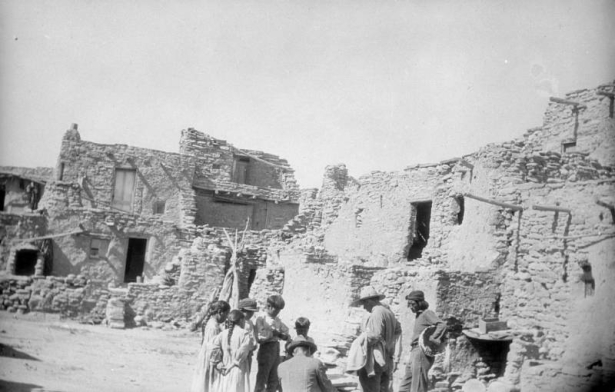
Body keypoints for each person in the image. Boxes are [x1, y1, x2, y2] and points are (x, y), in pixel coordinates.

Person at [350, 286, 401, 392]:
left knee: (369, 387)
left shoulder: (376, 313)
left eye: (364, 304)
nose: (364, 308)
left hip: (375, 359)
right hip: (386, 358)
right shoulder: (389, 313)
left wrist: (359, 342)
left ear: (369, 301)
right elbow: (398, 331)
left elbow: (374, 335)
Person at [398, 290, 446, 392]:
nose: (411, 307)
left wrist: (433, 337)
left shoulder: (426, 313)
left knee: (418, 386)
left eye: (413, 304)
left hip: (420, 352)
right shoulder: (419, 315)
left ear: (420, 303)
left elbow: (441, 324)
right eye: (409, 304)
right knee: (405, 386)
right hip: (414, 351)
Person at [190, 300, 231, 392]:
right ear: (220, 312)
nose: (227, 317)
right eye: (226, 313)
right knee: (209, 383)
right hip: (210, 358)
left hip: (207, 355)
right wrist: (218, 362)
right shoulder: (214, 327)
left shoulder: (212, 323)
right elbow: (213, 347)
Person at [210, 309, 254, 392]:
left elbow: (213, 348)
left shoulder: (223, 333)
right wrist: (231, 365)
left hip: (224, 368)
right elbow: (243, 353)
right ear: (241, 320)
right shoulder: (244, 334)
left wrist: (218, 362)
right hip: (238, 368)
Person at [254, 294, 291, 392]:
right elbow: (260, 337)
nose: (277, 312)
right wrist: (273, 334)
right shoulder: (261, 319)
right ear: (269, 306)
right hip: (266, 349)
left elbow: (286, 332)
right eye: (276, 309)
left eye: (279, 310)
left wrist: (279, 334)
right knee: (262, 378)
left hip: (275, 349)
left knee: (273, 378)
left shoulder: (277, 320)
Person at [237, 298, 259, 372]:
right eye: (249, 312)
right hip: (242, 353)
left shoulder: (250, 322)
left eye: (252, 312)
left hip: (249, 353)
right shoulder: (240, 323)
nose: (251, 314)